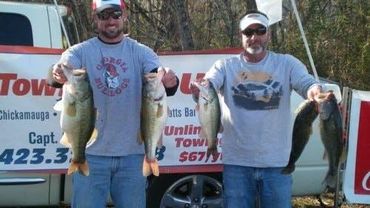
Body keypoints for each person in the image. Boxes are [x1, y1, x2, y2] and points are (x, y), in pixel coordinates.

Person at [47, 0, 179, 207]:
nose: (111, 20)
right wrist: (57, 73)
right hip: (91, 155)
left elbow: (158, 80)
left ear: (124, 16)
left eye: (115, 15)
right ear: (95, 18)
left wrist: (171, 81)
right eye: (104, 15)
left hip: (133, 157)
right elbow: (58, 72)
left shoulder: (142, 52)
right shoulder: (80, 51)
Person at [191, 10, 322, 208]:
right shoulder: (225, 66)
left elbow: (306, 83)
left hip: (277, 164)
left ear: (268, 34)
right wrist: (198, 90)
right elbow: (209, 84)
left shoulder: (286, 63)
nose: (254, 37)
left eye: (260, 31)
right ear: (241, 36)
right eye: (248, 32)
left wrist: (315, 91)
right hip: (237, 164)